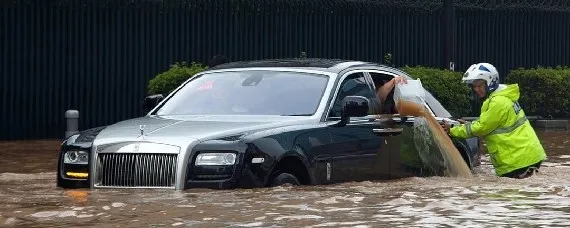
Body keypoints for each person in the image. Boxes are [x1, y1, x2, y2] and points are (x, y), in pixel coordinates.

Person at [440, 63, 546, 179]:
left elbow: (482, 127)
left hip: (518, 161)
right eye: (474, 86)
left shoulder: (497, 102)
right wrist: (467, 125)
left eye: (480, 86)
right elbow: (489, 122)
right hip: (526, 157)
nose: (476, 89)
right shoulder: (501, 97)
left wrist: (452, 130)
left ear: (490, 83)